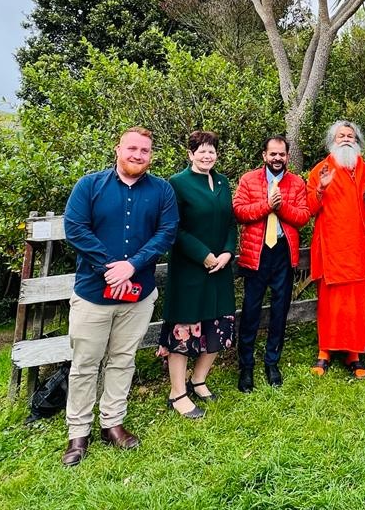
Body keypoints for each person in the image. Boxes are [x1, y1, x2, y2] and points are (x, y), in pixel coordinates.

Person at [61, 126, 178, 467]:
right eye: (132, 148)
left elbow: (166, 232)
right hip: (93, 295)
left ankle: (112, 423)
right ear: (118, 149)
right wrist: (110, 267)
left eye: (144, 151)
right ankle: (78, 432)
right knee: (84, 364)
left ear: (150, 156)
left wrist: (133, 266)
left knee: (123, 359)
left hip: (139, 295)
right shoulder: (90, 186)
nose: (137, 155)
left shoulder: (162, 191)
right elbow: (76, 229)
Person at [158, 130, 237, 419]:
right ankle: (177, 393)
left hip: (220, 268)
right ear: (190, 154)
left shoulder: (223, 182)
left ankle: (199, 380)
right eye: (201, 151)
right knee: (183, 331)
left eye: (212, 151)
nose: (207, 156)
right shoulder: (176, 184)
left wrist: (228, 251)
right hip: (191, 267)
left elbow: (231, 221)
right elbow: (174, 228)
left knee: (219, 324)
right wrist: (202, 254)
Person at [232, 136, 310, 392]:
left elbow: (302, 217)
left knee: (280, 310)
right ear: (264, 155)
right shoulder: (249, 179)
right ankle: (246, 366)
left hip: (284, 255)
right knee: (251, 310)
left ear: (287, 156)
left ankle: (272, 362)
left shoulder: (296, 182)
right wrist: (267, 205)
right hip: (257, 253)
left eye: (282, 154)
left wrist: (282, 206)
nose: (277, 158)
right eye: (273, 154)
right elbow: (239, 211)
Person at [306, 120, 365, 379]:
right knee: (329, 304)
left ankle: (354, 354)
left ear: (357, 141)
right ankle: (324, 351)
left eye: (350, 136)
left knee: (356, 305)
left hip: (358, 248)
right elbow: (309, 209)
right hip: (331, 248)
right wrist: (321, 188)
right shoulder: (320, 170)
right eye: (341, 136)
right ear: (332, 141)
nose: (346, 139)